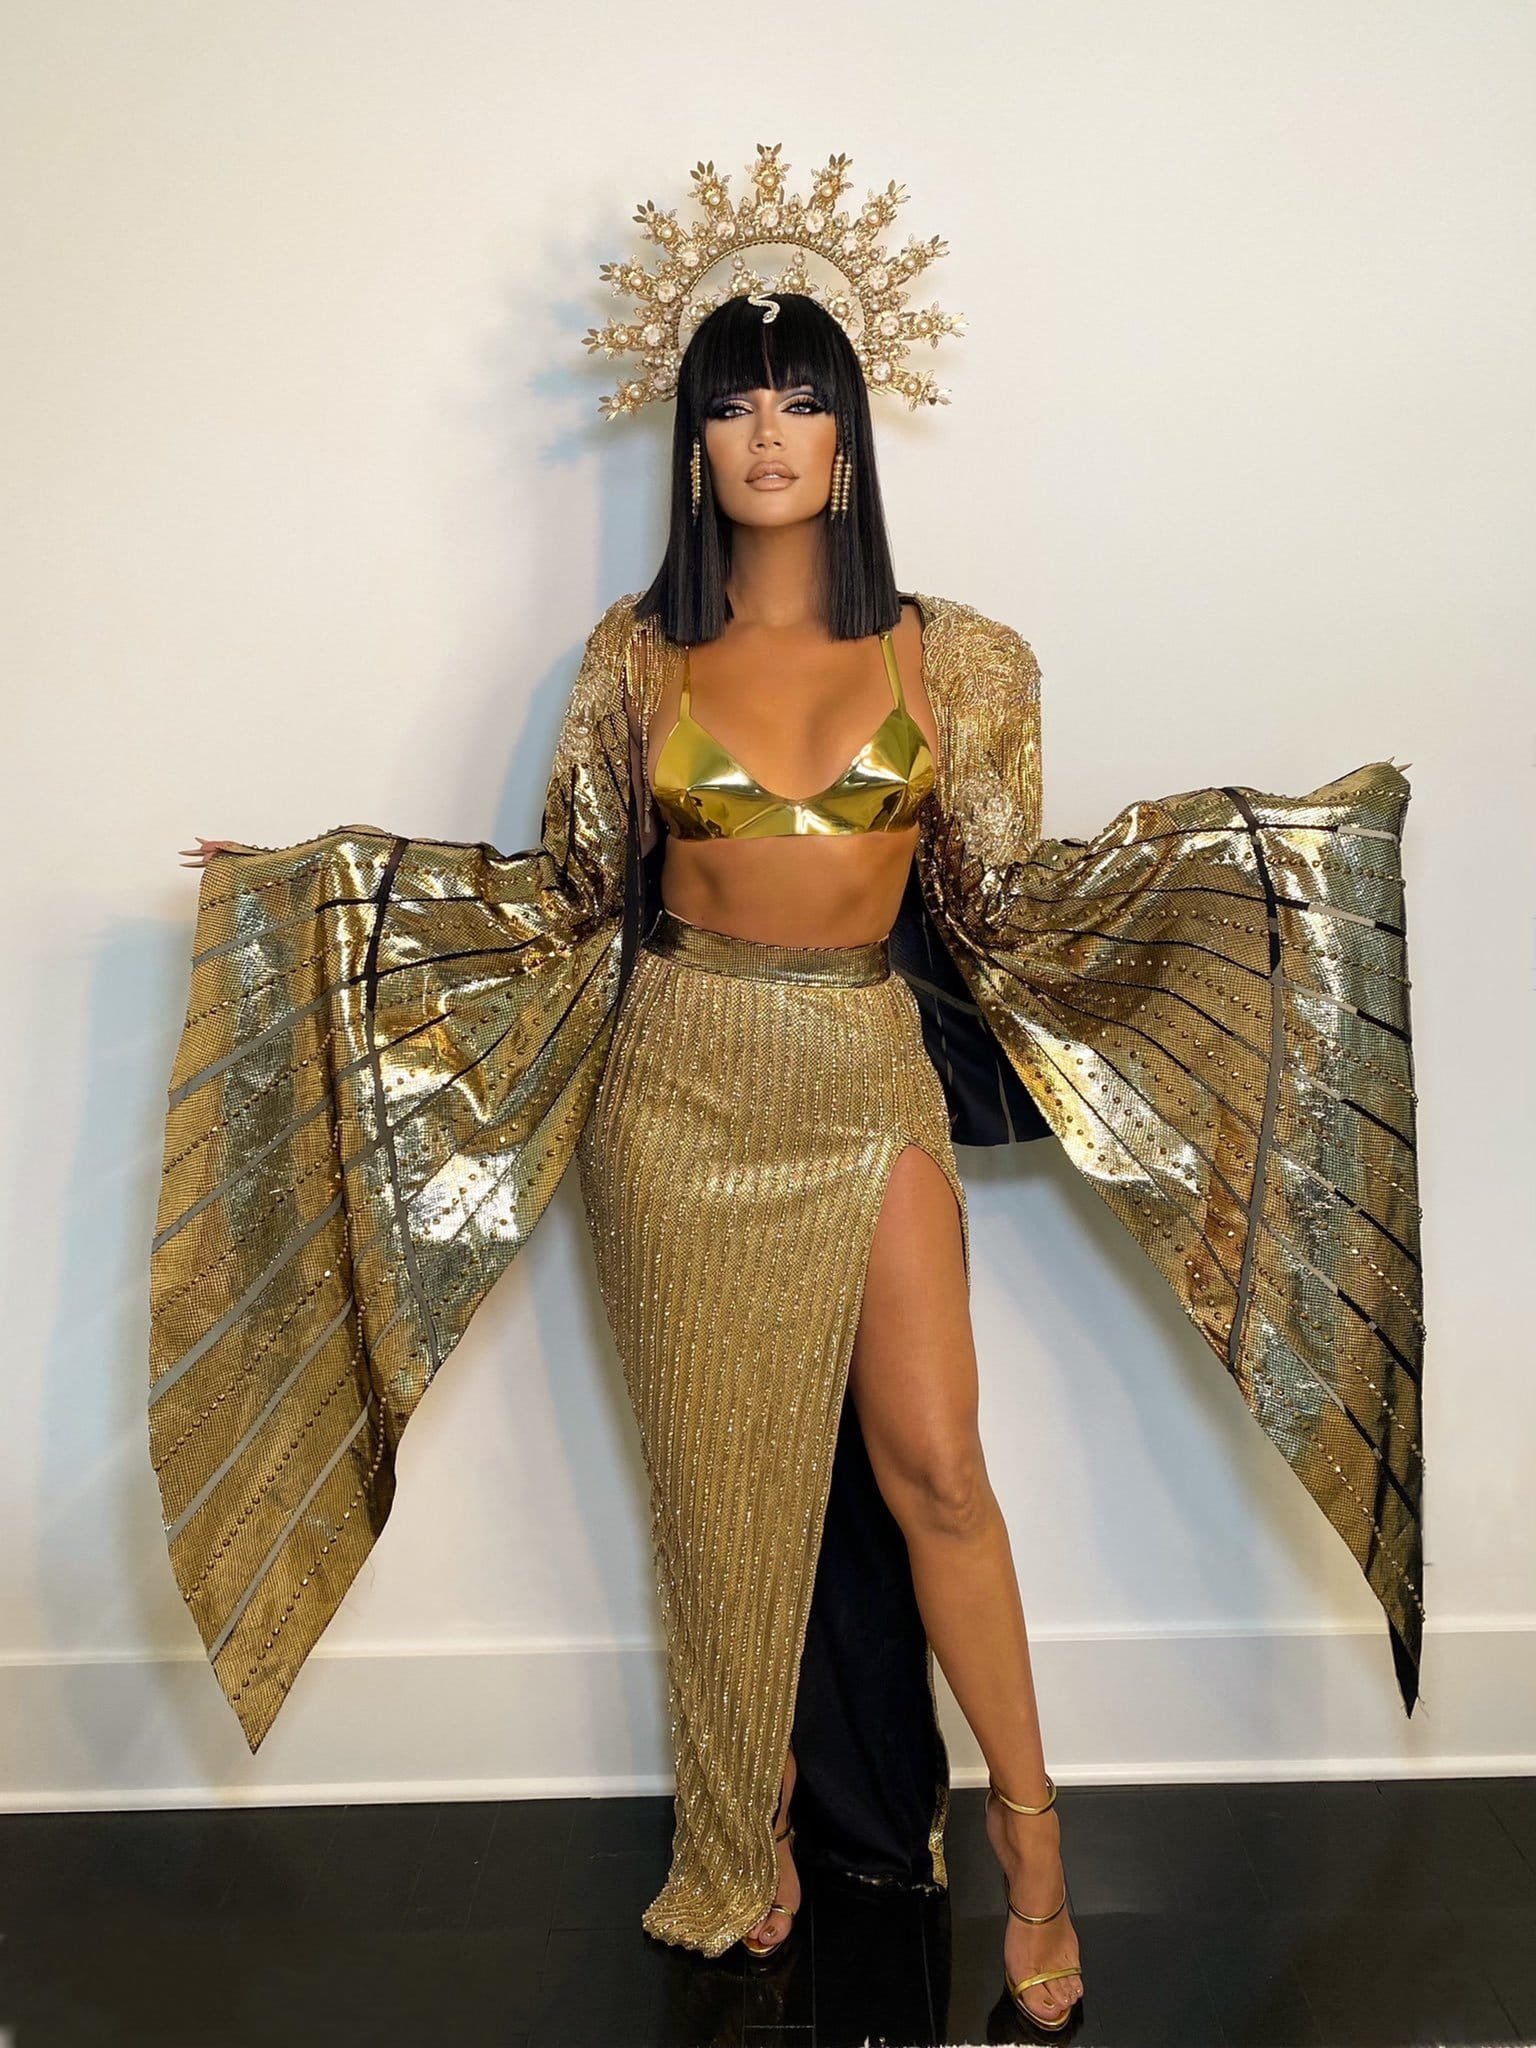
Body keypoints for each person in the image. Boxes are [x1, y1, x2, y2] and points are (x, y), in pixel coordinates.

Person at [156, 150, 1424, 2037]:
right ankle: (738, 1839)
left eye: (802, 400)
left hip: (859, 1066)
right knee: (714, 1493)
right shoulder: (631, 659)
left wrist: (1266, 874)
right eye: (735, 403)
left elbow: (1003, 902)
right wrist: (322, 891)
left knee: (939, 1473)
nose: (768, 433)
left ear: (848, 437)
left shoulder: (962, 658)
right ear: (694, 443)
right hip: (671, 1092)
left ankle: (1036, 1847)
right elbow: (563, 898)